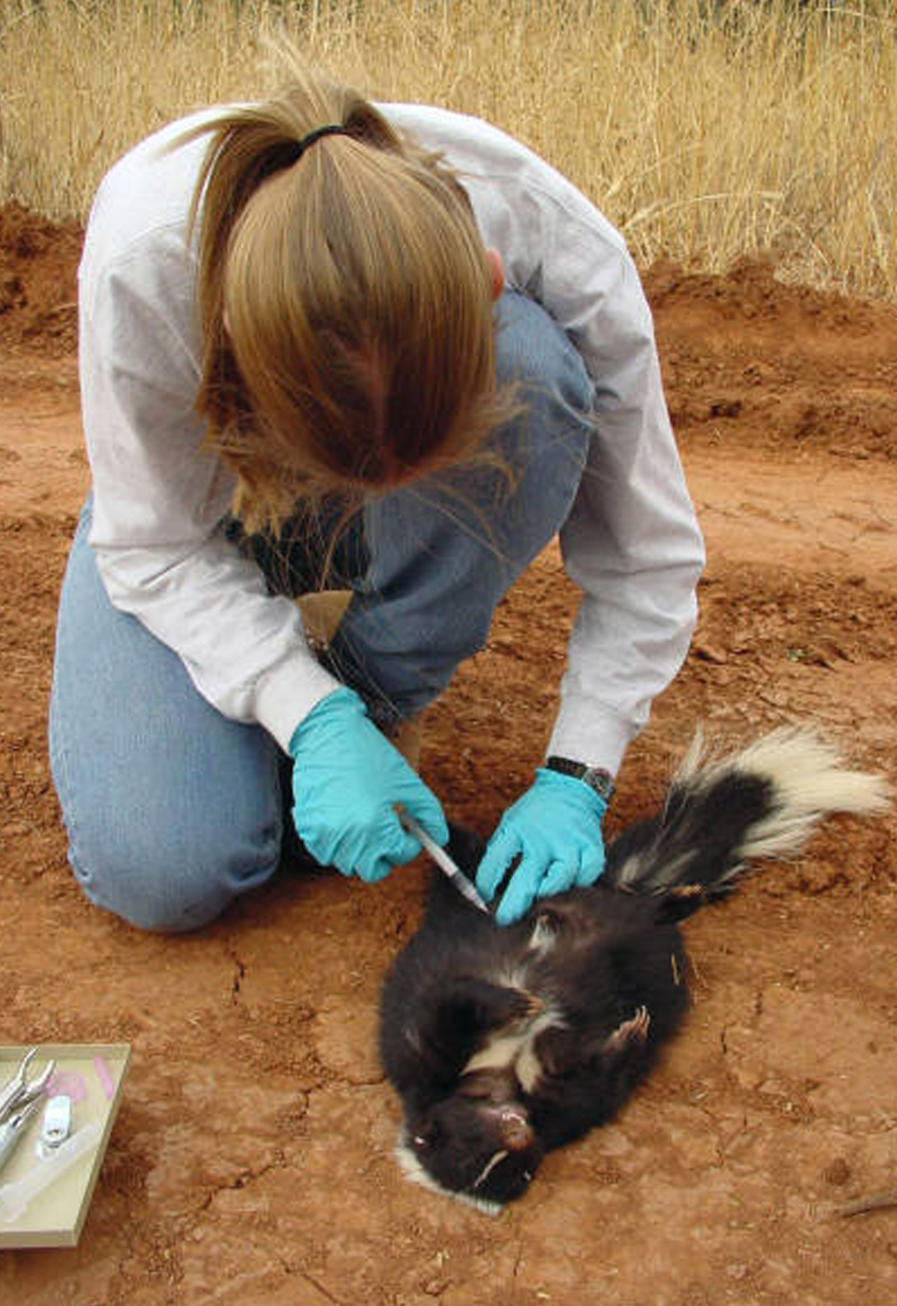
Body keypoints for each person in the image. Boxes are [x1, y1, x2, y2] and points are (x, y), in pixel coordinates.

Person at [49, 57, 705, 933]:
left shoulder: (550, 235)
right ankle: (317, 724)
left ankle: (374, 692)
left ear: (489, 277)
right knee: (166, 868)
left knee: (538, 374)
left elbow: (646, 552)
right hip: (204, 524)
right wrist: (307, 714)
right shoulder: (147, 265)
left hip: (477, 381)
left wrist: (578, 773)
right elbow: (154, 542)